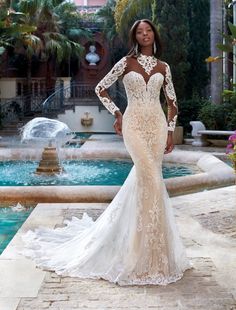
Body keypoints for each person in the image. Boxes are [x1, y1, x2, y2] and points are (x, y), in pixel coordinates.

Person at [22, 19, 190, 286]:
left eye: (148, 31)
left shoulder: (163, 67)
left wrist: (170, 131)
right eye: (139, 32)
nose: (144, 34)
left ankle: (154, 251)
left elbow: (172, 102)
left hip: (157, 127)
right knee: (151, 179)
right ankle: (140, 252)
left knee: (149, 181)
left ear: (154, 34)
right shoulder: (126, 62)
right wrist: (117, 113)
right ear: (134, 36)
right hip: (134, 125)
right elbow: (101, 88)